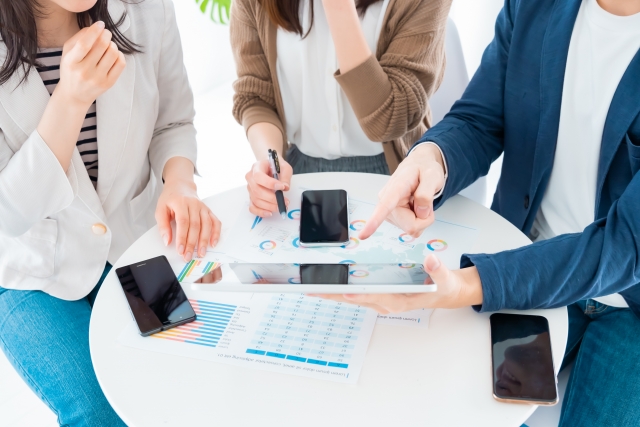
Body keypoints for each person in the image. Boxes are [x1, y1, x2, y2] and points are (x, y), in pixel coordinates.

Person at [316, 0, 640, 425]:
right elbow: (480, 119)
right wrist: (431, 160)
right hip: (527, 260)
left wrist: (470, 285)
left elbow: (625, 244)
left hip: (629, 305)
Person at [0, 0, 220, 425]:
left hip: (130, 243)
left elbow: (173, 123)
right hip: (30, 268)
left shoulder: (147, 10)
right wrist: (70, 100)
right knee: (99, 413)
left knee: (181, 382)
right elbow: (9, 214)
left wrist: (178, 183)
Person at [230, 0, 451, 217]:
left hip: (397, 173)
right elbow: (256, 97)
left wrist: (338, 7)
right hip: (297, 171)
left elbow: (390, 119)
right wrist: (270, 161)